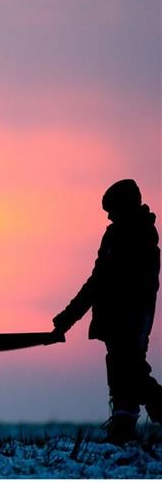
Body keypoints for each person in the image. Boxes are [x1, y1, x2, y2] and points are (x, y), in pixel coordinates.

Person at [52, 179, 162, 445]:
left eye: (113, 210)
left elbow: (109, 282)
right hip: (115, 317)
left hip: (132, 317)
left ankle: (142, 418)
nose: (110, 216)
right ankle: (123, 430)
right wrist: (67, 319)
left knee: (131, 369)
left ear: (126, 207)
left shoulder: (141, 238)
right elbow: (98, 281)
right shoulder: (115, 235)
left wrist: (68, 319)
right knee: (120, 368)